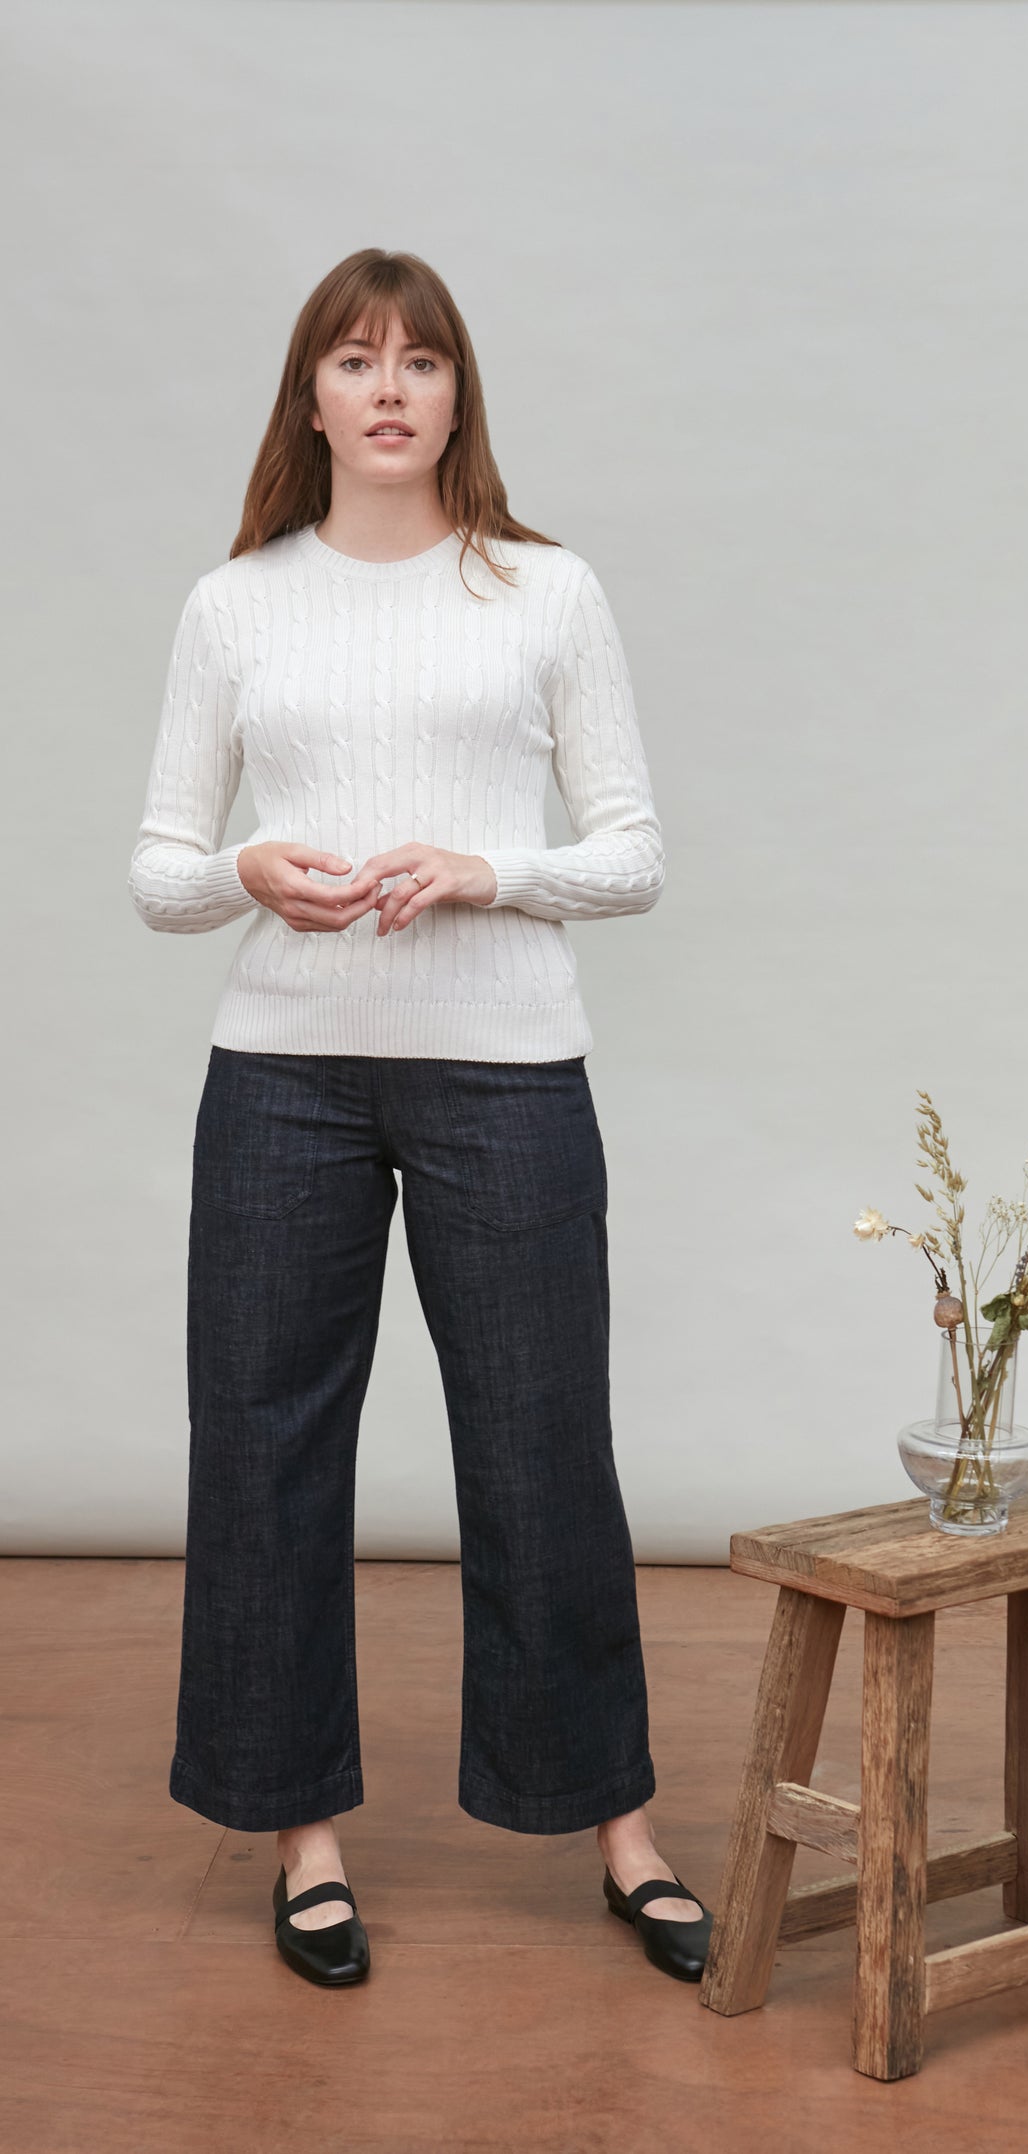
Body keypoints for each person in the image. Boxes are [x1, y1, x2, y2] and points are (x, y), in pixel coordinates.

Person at [127, 246, 711, 1989]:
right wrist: (246, 865)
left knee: (543, 1450)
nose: (390, 388)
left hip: (509, 1069)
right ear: (309, 396)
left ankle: (618, 1826)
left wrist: (489, 868)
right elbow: (159, 871)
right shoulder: (236, 605)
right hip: (282, 1078)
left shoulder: (542, 591)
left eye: (422, 359)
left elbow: (633, 853)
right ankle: (298, 1835)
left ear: (461, 394)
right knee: (264, 1451)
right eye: (355, 359)